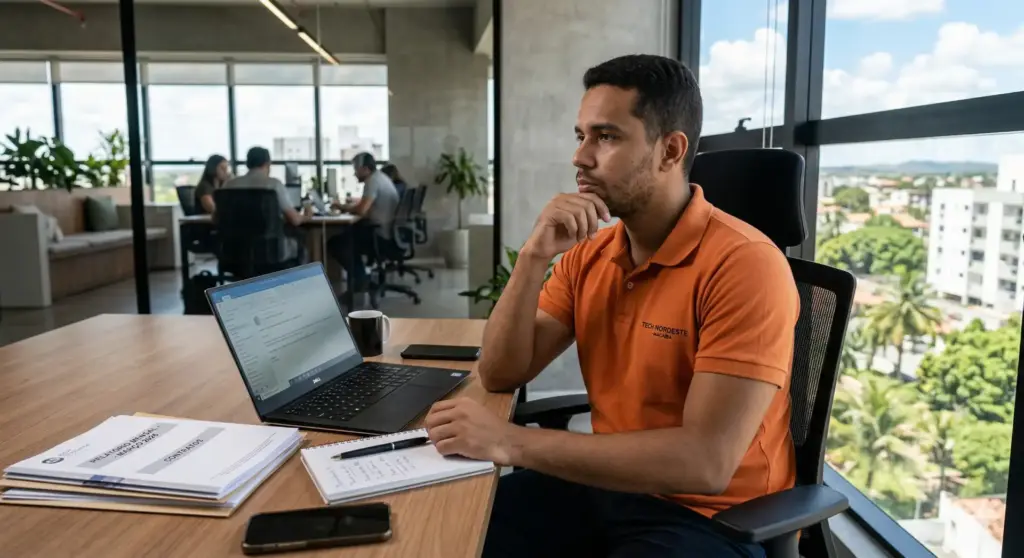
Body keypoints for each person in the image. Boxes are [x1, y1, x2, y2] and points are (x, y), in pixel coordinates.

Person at [422, 54, 799, 558]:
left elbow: (705, 463)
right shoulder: (591, 255)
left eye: (606, 137)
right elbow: (500, 373)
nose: (581, 157)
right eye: (580, 136)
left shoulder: (745, 266)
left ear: (670, 150)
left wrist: (509, 442)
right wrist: (533, 257)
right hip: (606, 488)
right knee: (443, 531)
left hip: (710, 518)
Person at [327, 153, 400, 297]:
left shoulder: (372, 181)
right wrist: (352, 205)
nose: (354, 173)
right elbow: (367, 206)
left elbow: (361, 210)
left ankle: (361, 279)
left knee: (336, 243)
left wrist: (341, 207)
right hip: (388, 233)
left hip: (379, 236)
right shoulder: (381, 178)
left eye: (356, 169)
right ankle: (361, 278)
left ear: (365, 169)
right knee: (348, 235)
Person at [221, 146, 307, 261]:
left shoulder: (229, 185)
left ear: (247, 164)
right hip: (269, 251)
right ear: (268, 163)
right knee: (301, 243)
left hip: (234, 251)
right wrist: (308, 213)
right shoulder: (274, 185)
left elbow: (216, 219)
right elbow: (295, 220)